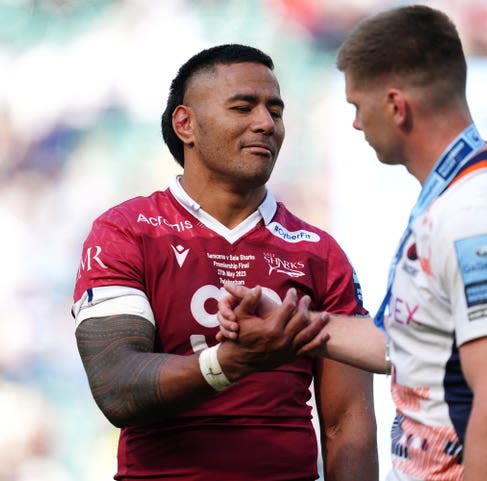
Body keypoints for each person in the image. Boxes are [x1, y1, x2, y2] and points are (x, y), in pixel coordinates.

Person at [218, 6, 487, 481]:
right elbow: (409, 345)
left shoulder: (478, 214)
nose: (356, 124)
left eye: (358, 106)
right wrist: (294, 327)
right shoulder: (452, 196)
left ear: (397, 107)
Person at [71, 44, 378, 481]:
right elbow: (116, 387)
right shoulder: (127, 231)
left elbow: (346, 424)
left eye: (276, 110)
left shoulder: (319, 253)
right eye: (243, 107)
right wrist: (230, 362)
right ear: (186, 123)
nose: (265, 123)